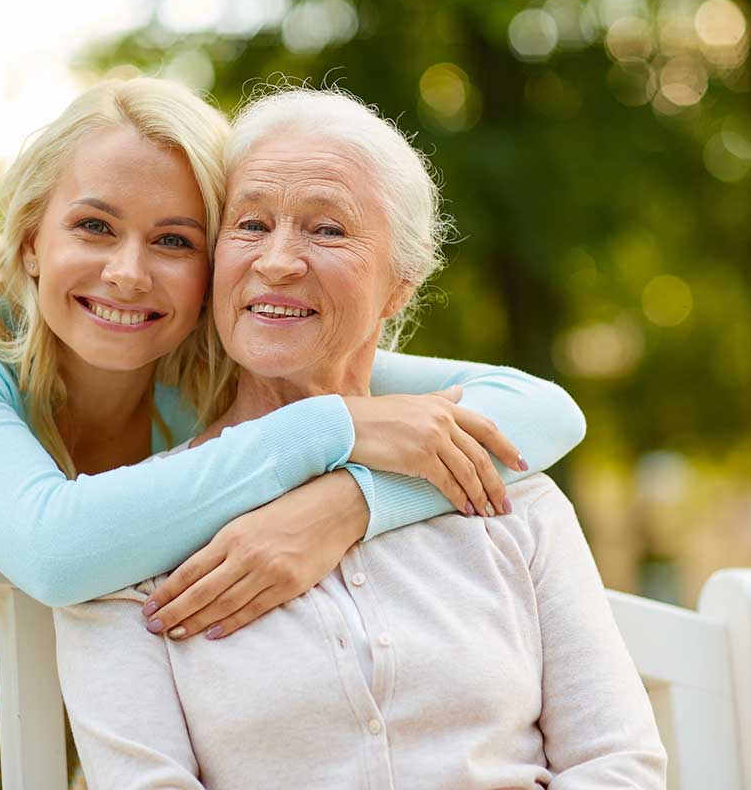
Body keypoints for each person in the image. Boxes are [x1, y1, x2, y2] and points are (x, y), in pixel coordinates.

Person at [0, 78, 587, 788]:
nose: (129, 274)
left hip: (53, 713)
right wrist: (336, 426)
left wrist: (350, 502)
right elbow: (56, 549)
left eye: (175, 241)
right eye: (95, 227)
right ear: (30, 238)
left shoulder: (200, 348)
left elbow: (540, 409)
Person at [53, 87, 666, 789]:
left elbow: (618, 765)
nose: (278, 261)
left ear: (401, 283)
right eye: (250, 225)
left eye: (327, 230)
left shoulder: (515, 500)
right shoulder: (132, 536)